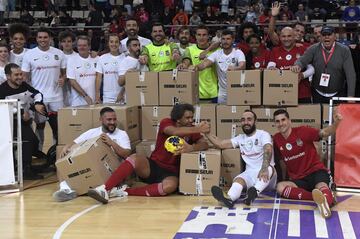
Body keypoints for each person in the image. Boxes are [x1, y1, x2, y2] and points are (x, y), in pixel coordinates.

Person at [87, 103, 209, 204]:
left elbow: (204, 144)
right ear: (178, 119)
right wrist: (198, 128)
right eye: (187, 118)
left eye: (191, 117)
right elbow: (174, 131)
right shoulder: (166, 122)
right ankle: (104, 189)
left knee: (169, 187)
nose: (191, 120)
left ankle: (124, 191)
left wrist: (191, 148)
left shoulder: (192, 129)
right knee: (134, 158)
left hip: (172, 172)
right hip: (153, 165)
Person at [273, 109, 342, 219]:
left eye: (283, 120)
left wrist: (336, 123)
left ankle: (325, 200)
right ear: (275, 124)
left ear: (289, 121)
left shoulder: (302, 131)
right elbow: (281, 161)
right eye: (277, 121)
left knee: (322, 186)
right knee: (280, 187)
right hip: (299, 179)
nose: (281, 124)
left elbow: (324, 133)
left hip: (316, 172)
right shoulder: (276, 139)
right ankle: (318, 198)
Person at [53, 107, 131, 202]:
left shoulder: (122, 134)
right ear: (101, 120)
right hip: (90, 169)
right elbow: (74, 143)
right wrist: (66, 147)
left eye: (114, 119)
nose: (112, 122)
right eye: (109, 119)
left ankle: (106, 189)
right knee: (63, 157)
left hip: (110, 169)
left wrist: (112, 143)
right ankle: (65, 189)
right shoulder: (92, 132)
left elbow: (127, 154)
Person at [205, 110, 276, 208]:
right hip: (250, 172)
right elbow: (221, 144)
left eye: (249, 119)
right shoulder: (240, 138)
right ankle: (230, 199)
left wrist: (263, 169)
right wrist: (207, 133)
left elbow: (268, 149)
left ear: (255, 121)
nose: (246, 122)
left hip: (268, 176)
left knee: (269, 168)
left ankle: (254, 193)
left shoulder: (263, 134)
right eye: (243, 120)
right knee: (239, 179)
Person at [22, 27, 66, 151]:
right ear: (36, 39)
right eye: (40, 37)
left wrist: (64, 78)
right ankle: (39, 152)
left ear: (50, 38)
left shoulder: (59, 53)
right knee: (40, 125)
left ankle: (56, 152)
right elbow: (24, 78)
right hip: (39, 98)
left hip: (57, 97)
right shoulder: (29, 55)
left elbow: (64, 73)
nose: (43, 40)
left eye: (45, 37)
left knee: (57, 127)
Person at [0, 63, 46, 180]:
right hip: (7, 124)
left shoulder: (24, 86)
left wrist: (37, 104)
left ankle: (22, 164)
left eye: (21, 74)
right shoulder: (2, 90)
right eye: (16, 75)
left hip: (23, 122)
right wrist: (20, 113)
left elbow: (37, 94)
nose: (20, 77)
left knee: (33, 141)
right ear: (8, 76)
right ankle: (26, 169)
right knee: (28, 139)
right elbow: (3, 107)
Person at [291, 26, 357, 103]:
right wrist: (297, 65)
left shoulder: (344, 50)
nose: (326, 37)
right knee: (318, 114)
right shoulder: (313, 48)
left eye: (329, 34)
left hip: (337, 93)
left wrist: (351, 95)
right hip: (317, 92)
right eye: (324, 35)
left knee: (336, 115)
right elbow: (302, 60)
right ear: (321, 37)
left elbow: (350, 74)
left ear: (335, 36)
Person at [193, 29, 246, 104]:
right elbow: (205, 64)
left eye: (228, 39)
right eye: (223, 39)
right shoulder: (217, 53)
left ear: (233, 40)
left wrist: (235, 68)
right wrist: (196, 67)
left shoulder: (238, 52)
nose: (225, 41)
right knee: (222, 113)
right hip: (222, 92)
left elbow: (242, 66)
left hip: (237, 89)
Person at [267, 27, 314, 103]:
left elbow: (312, 69)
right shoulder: (275, 50)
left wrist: (302, 75)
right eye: (283, 36)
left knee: (303, 115)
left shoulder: (302, 49)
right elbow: (271, 64)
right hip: (281, 93)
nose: (286, 39)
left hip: (302, 93)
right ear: (280, 37)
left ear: (294, 37)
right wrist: (271, 68)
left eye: (289, 36)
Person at [178, 25, 218, 102]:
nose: (201, 37)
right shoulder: (189, 50)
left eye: (204, 35)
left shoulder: (217, 50)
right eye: (199, 35)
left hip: (214, 92)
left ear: (208, 36)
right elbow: (186, 60)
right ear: (195, 36)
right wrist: (184, 65)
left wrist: (207, 50)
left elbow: (220, 42)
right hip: (196, 92)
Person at [67, 36, 99, 106]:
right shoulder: (71, 60)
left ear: (89, 46)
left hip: (95, 101)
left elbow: (99, 78)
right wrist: (85, 96)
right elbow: (72, 82)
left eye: (84, 45)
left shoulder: (96, 58)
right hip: (78, 102)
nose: (82, 47)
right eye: (79, 45)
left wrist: (97, 96)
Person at [95, 33, 125, 104]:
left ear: (119, 44)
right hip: (108, 96)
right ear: (108, 43)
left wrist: (122, 93)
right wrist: (97, 95)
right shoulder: (102, 58)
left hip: (123, 95)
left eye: (116, 42)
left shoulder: (125, 58)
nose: (114, 44)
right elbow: (98, 78)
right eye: (111, 42)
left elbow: (128, 79)